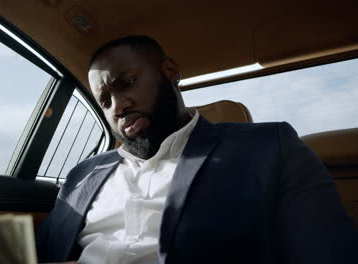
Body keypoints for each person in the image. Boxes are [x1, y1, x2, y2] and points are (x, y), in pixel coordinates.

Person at [36, 35, 358, 264]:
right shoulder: (82, 175)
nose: (118, 106)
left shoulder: (270, 148)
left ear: (171, 71)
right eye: (105, 101)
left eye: (128, 82)